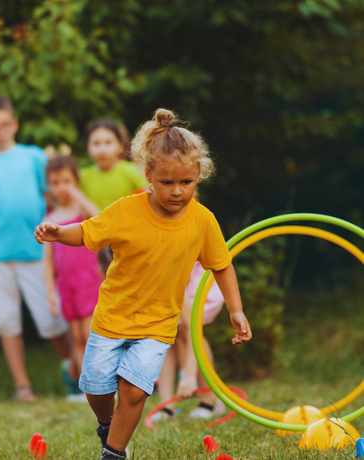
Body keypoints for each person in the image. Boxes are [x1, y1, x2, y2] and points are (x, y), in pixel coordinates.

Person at [34, 108, 252, 460]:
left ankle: (114, 452)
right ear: (148, 174)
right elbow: (88, 233)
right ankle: (109, 426)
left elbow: (222, 265)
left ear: (199, 176)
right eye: (167, 182)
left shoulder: (202, 220)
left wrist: (236, 310)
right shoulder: (127, 211)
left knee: (135, 391)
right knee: (95, 386)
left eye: (187, 182)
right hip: (113, 316)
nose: (177, 191)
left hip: (158, 323)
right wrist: (59, 233)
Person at [0, 95, 75, 402]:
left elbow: (50, 198)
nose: (0, 130)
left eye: (5, 124)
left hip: (36, 250)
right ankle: (22, 387)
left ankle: (78, 375)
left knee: (51, 318)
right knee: (5, 321)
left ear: (14, 124)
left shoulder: (34, 157)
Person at [44, 155, 103, 401]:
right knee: (76, 337)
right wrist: (50, 293)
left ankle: (101, 384)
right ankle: (83, 386)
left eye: (67, 181)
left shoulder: (82, 211)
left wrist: (79, 196)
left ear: (76, 181)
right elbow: (47, 262)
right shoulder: (50, 217)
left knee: (91, 335)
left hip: (88, 280)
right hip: (65, 285)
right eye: (56, 182)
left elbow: (100, 218)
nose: (62, 187)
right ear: (49, 186)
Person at [154, 262, 226, 421]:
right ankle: (167, 406)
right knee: (165, 335)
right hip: (173, 280)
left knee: (187, 331)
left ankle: (210, 401)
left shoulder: (168, 264)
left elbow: (192, 327)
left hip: (196, 284)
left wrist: (189, 375)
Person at [79, 120, 147, 211]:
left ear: (120, 146)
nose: (102, 150)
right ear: (88, 147)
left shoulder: (133, 172)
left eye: (108, 142)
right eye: (96, 143)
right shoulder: (82, 177)